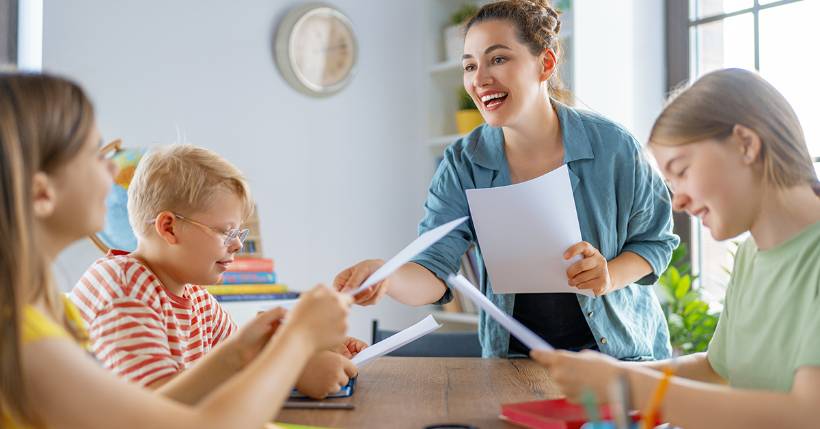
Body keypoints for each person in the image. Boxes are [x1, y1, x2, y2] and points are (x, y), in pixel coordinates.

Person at [0, 71, 350, 429]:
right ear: (42, 193)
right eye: (93, 154)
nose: (112, 168)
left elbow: (141, 415)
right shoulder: (25, 342)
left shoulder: (48, 311)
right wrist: (296, 342)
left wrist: (255, 350)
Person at [335, 0, 678, 360]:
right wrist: (386, 276)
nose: (479, 79)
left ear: (545, 63)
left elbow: (654, 243)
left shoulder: (614, 148)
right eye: (469, 65)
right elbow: (433, 269)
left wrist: (607, 274)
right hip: (514, 364)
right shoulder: (462, 163)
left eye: (498, 59)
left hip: (620, 359)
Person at [532, 68, 820, 429]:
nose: (678, 200)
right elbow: (716, 368)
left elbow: (807, 415)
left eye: (682, 171)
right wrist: (606, 376)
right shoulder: (751, 255)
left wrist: (628, 385)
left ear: (746, 144)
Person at [70, 144, 365, 398]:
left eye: (239, 233)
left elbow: (242, 356)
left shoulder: (196, 297)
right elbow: (154, 406)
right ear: (169, 228)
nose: (237, 245)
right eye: (226, 232)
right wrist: (292, 367)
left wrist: (312, 350)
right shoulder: (126, 292)